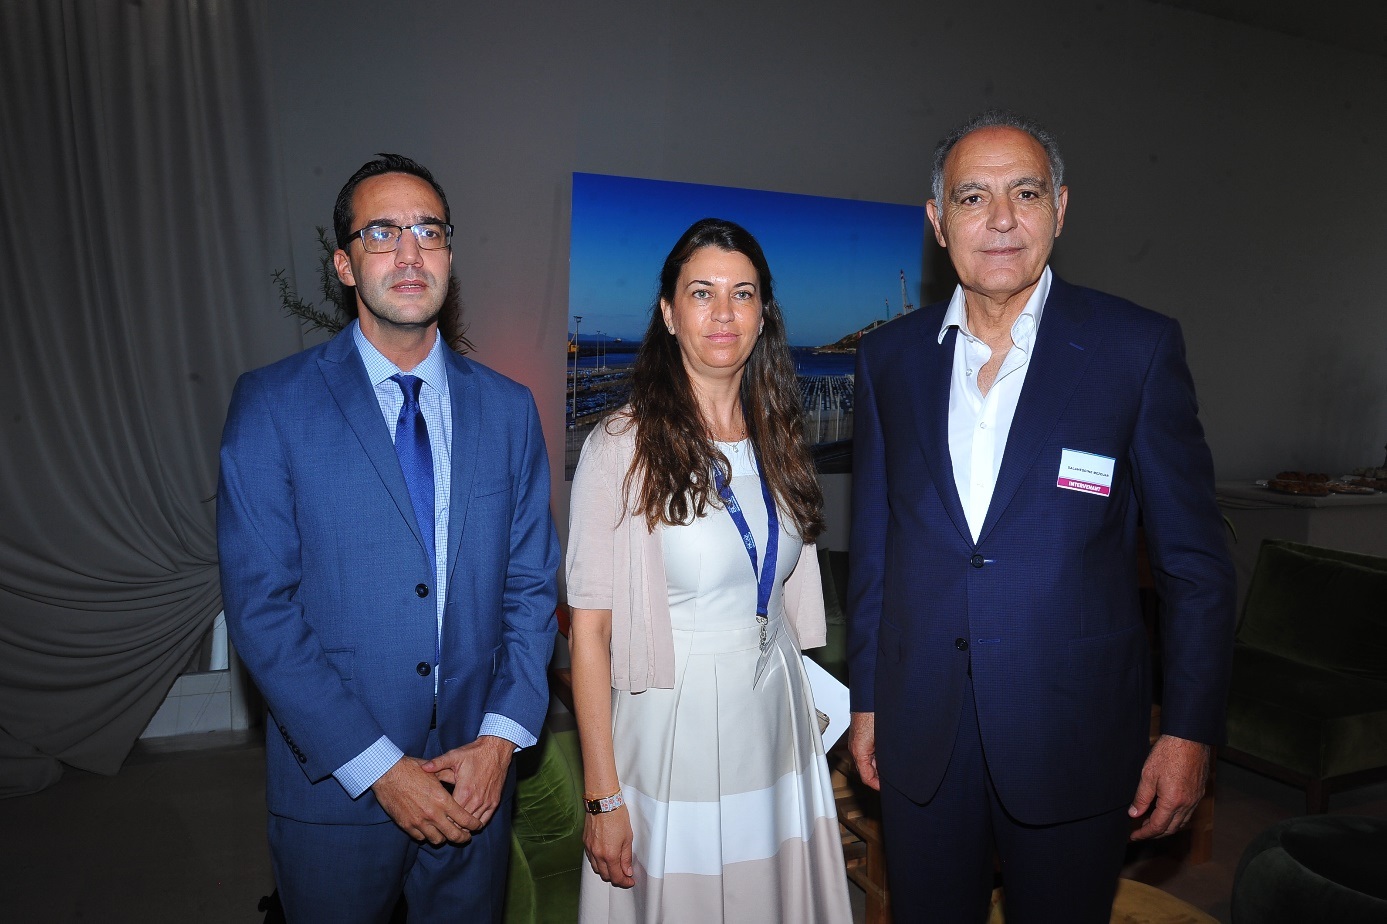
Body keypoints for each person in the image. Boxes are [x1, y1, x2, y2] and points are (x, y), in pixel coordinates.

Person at [847, 110, 1236, 921]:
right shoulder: (888, 359)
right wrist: (867, 700)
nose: (999, 220)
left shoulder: (1135, 349)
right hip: (922, 730)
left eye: (1023, 193)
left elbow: (1194, 566)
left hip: (1073, 730)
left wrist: (1188, 731)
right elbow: (876, 548)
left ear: (1058, 208)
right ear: (937, 221)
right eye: (972, 197)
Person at [218, 153, 559, 924]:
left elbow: (532, 588)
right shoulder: (272, 405)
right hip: (336, 786)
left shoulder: (508, 409)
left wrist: (500, 740)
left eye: (428, 232)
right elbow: (262, 611)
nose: (409, 253)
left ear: (449, 256)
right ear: (344, 264)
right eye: (381, 233)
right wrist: (379, 768)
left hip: (477, 782)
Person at [566, 218, 852, 923]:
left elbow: (781, 591)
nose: (724, 312)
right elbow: (588, 634)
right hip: (672, 726)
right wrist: (602, 796)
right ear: (668, 313)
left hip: (776, 718)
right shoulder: (619, 448)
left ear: (763, 315)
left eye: (742, 293)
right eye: (702, 293)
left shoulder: (780, 439)